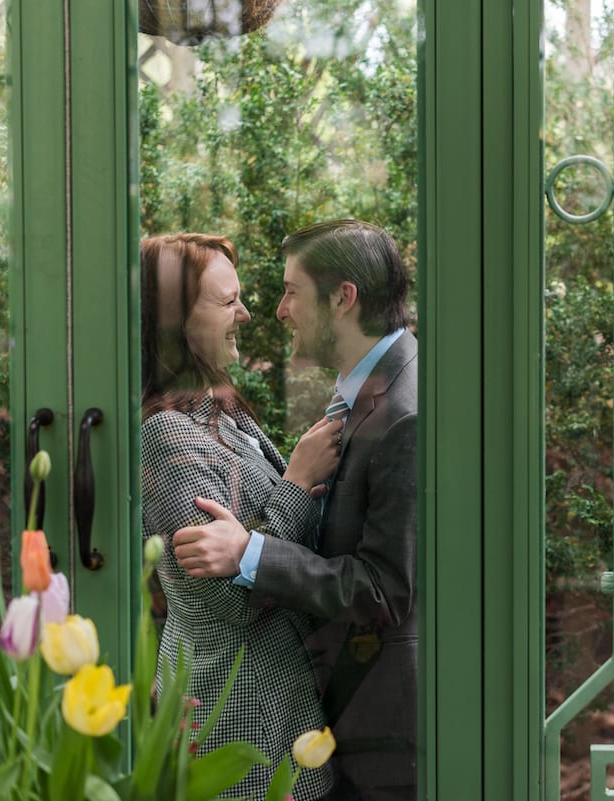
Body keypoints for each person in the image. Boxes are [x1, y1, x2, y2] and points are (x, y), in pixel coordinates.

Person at [172, 220, 418, 801]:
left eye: (290, 291)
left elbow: (384, 591)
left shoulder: (404, 415)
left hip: (384, 730)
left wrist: (249, 552)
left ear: (342, 298)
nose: (278, 311)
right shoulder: (367, 392)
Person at [140, 233, 341, 801]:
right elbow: (232, 600)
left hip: (278, 710)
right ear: (174, 321)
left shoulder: (217, 413)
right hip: (236, 724)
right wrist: (297, 482)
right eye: (228, 302)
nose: (246, 314)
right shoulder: (165, 435)